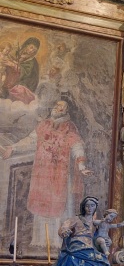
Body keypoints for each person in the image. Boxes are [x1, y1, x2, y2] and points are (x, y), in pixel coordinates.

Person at [1, 98, 91, 251]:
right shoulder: (44, 125)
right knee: (41, 208)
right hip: (42, 175)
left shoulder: (69, 128)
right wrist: (13, 148)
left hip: (60, 176)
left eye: (62, 106)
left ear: (66, 111)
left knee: (58, 208)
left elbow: (77, 146)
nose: (58, 108)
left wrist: (81, 165)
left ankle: (58, 243)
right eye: (56, 105)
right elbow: (30, 141)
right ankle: (40, 241)